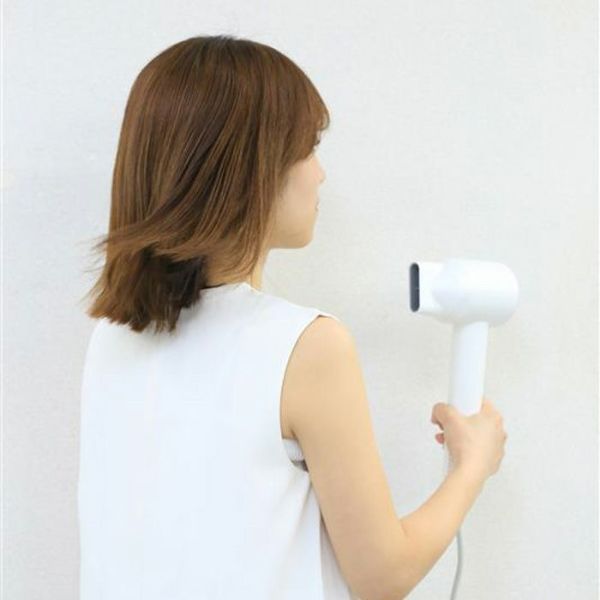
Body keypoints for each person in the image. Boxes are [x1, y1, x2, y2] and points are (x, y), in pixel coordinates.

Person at [77, 34, 507, 600]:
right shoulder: (306, 347)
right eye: (307, 148)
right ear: (250, 169)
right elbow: (381, 576)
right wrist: (472, 465)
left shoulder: (111, 337)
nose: (320, 174)